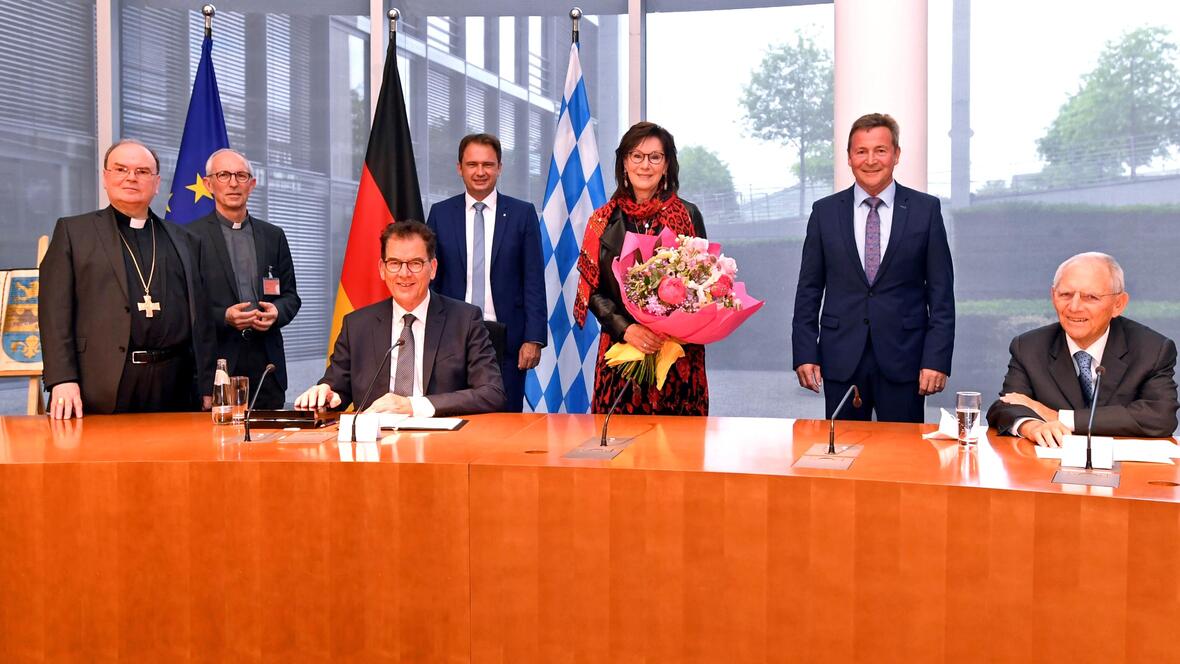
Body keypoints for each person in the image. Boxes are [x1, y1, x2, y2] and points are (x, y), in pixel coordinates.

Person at [792, 113, 955, 422]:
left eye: (880, 150)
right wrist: (804, 352)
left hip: (905, 357)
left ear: (896, 154)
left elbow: (942, 294)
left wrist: (936, 359)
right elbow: (809, 290)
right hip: (840, 356)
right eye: (861, 151)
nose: (870, 160)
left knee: (903, 458)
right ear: (849, 158)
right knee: (841, 456)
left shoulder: (925, 210)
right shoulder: (825, 212)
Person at [39, 139, 215, 418]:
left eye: (143, 171)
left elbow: (202, 319)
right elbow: (54, 314)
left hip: (176, 384)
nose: (131, 177)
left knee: (172, 462)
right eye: (121, 169)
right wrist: (62, 379)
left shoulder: (186, 240)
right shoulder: (74, 232)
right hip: (101, 382)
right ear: (106, 178)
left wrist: (207, 382)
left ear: (157, 183)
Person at [294, 220, 504, 416]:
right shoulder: (357, 325)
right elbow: (337, 387)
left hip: (442, 443)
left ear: (433, 269)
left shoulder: (464, 320)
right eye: (394, 263)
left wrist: (412, 406)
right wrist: (326, 393)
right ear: (382, 269)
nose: (404, 274)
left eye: (415, 263)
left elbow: (492, 393)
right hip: (375, 445)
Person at [574, 121, 708, 415]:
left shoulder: (688, 215)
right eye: (636, 156)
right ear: (624, 163)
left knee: (678, 450)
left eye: (655, 157)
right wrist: (628, 329)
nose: (645, 165)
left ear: (666, 165)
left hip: (678, 355)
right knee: (620, 449)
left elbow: (703, 284)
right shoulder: (602, 220)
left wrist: (671, 330)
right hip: (622, 350)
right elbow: (591, 291)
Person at [986, 252, 1178, 446]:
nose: (1074, 307)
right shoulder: (1029, 347)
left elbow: (1160, 416)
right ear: (1053, 296)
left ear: (1118, 304)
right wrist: (1032, 425)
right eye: (1065, 295)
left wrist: (1059, 418)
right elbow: (1006, 406)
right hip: (1047, 467)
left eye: (1091, 297)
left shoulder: (1152, 350)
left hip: (1126, 470)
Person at [426, 133, 547, 412]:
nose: (480, 172)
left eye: (488, 164)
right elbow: (431, 278)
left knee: (505, 422)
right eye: (472, 164)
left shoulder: (521, 214)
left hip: (507, 340)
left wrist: (534, 338)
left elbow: (533, 280)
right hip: (450, 336)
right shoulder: (441, 214)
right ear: (460, 168)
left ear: (500, 167)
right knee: (453, 418)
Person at [191, 148, 301, 409]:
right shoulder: (189, 237)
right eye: (223, 175)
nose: (232, 183)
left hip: (268, 368)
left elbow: (291, 296)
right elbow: (185, 305)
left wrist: (277, 311)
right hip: (217, 367)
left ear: (252, 184)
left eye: (241, 175)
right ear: (208, 184)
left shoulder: (273, 235)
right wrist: (224, 317)